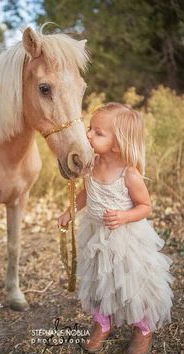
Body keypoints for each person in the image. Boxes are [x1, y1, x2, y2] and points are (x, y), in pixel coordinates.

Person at [58, 102, 173, 354]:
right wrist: (69, 210)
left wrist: (124, 216)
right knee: (101, 281)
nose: (88, 134)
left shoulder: (129, 174)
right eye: (90, 128)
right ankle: (103, 322)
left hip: (125, 241)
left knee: (131, 285)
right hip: (96, 235)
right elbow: (85, 193)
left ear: (118, 143)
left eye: (98, 133)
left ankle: (142, 328)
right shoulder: (92, 164)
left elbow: (145, 206)